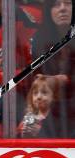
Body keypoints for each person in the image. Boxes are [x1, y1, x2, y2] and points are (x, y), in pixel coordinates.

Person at [30, 0, 74, 138]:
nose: (62, 9)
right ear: (49, 11)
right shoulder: (40, 38)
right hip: (49, 111)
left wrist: (65, 80)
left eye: (67, 3)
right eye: (56, 4)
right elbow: (35, 77)